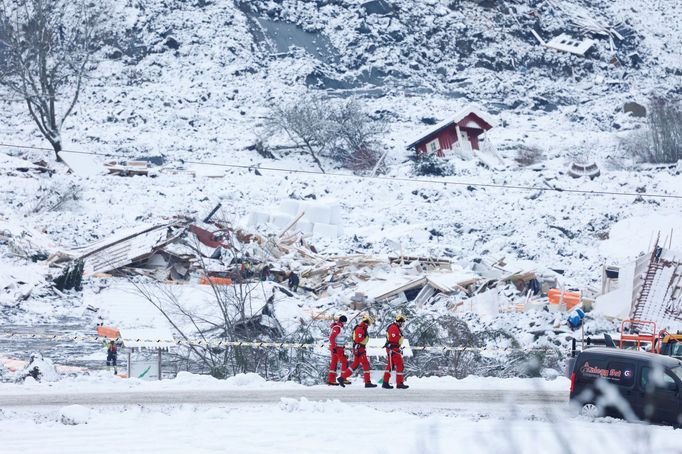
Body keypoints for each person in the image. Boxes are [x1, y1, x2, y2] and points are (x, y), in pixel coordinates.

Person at [338, 314, 377, 388]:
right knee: (365, 364)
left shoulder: (362, 328)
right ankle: (367, 382)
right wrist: (362, 342)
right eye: (368, 323)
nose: (369, 325)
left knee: (355, 364)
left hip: (359, 348)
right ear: (366, 322)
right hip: (359, 349)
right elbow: (358, 339)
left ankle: (342, 378)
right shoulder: (360, 328)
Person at [382, 314, 409, 389]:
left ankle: (385, 382)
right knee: (399, 365)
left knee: (390, 366)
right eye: (402, 322)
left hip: (394, 348)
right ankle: (399, 383)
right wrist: (397, 345)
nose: (403, 324)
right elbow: (393, 338)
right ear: (399, 322)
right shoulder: (393, 328)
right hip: (393, 349)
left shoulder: (395, 327)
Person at [327, 315, 350, 386]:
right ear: (343, 322)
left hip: (337, 348)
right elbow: (332, 337)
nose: (345, 324)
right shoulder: (337, 328)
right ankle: (343, 378)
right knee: (344, 362)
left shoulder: (337, 327)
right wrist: (334, 347)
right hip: (337, 348)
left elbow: (336, 338)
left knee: (334, 363)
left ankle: (331, 380)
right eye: (345, 322)